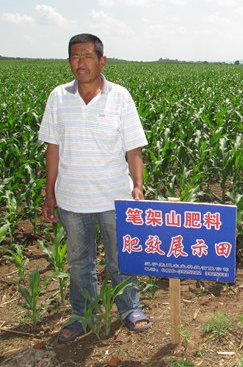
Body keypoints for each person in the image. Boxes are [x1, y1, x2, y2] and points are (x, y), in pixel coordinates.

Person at [39, 33, 152, 342]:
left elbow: (134, 148)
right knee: (79, 263)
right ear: (68, 62)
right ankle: (83, 314)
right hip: (72, 199)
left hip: (114, 196)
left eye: (88, 56)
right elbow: (53, 150)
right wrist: (49, 194)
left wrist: (138, 187)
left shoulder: (120, 96)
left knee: (121, 258)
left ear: (102, 60)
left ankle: (129, 308)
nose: (81, 63)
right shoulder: (58, 97)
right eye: (75, 57)